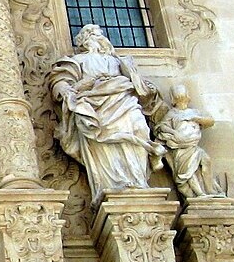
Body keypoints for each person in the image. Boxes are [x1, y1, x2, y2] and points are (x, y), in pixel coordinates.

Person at [50, 24, 165, 201]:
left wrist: (145, 86)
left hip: (124, 100)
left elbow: (140, 85)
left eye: (101, 35)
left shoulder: (118, 61)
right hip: (96, 105)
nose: (100, 38)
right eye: (95, 35)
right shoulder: (78, 60)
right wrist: (66, 90)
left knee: (139, 128)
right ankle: (115, 183)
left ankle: (138, 179)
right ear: (85, 40)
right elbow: (60, 80)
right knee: (105, 139)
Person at [155, 83, 223, 199]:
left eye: (183, 96)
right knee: (187, 171)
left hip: (193, 145)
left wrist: (196, 118)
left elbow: (210, 121)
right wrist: (174, 133)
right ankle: (198, 194)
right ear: (173, 99)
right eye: (178, 97)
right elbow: (161, 126)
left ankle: (209, 189)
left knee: (206, 160)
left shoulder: (194, 112)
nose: (181, 100)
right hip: (180, 148)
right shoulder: (172, 113)